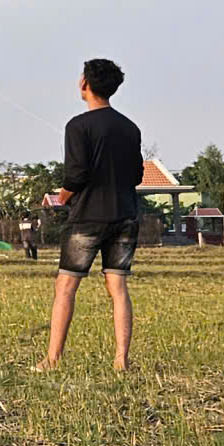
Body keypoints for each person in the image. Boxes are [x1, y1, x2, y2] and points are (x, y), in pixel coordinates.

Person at [36, 58, 142, 373]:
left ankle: (53, 359)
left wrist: (61, 198)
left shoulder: (77, 126)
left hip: (87, 218)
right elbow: (136, 174)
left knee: (66, 286)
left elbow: (76, 174)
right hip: (125, 214)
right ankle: (121, 360)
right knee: (118, 288)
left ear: (85, 84)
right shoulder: (130, 127)